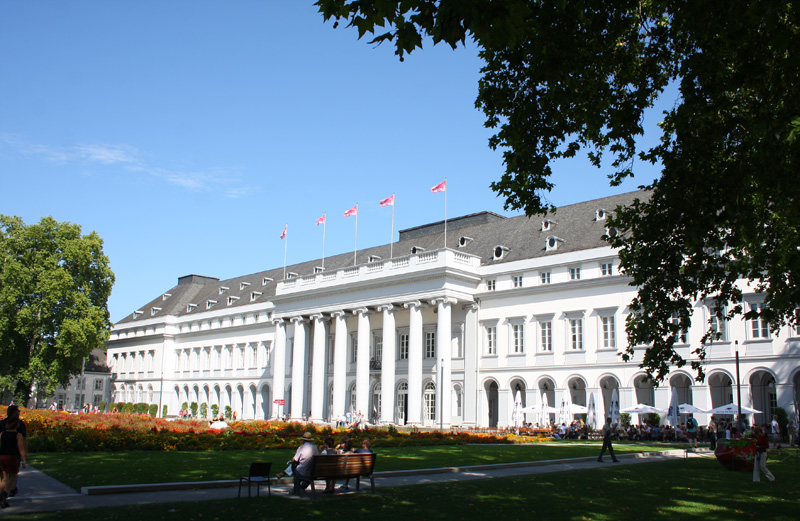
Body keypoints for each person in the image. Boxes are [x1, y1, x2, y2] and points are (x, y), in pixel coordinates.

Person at [0, 406, 27, 498]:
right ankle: (7, 492)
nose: (19, 412)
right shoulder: (18, 432)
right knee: (13, 476)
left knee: (3, 478)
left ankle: (2, 494)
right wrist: (24, 458)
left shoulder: (2, 431)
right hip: (13, 455)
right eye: (18, 411)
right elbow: (22, 446)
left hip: (2, 455)